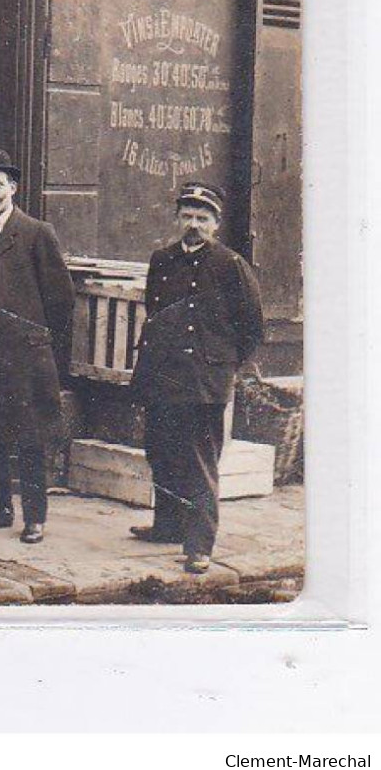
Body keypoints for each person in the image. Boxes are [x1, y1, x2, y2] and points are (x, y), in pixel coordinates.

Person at [130, 182, 264, 574]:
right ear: (176, 218)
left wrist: (219, 365)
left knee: (198, 464)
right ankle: (167, 526)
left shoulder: (231, 265)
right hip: (162, 375)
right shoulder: (162, 260)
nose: (193, 225)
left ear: (216, 224)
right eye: (187, 216)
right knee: (160, 451)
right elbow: (154, 315)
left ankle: (199, 545)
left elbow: (252, 327)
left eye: (202, 218)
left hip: (203, 381)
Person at [0, 148, 75, 545]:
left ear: (13, 188)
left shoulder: (37, 233)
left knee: (30, 438)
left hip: (26, 354)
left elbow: (60, 300)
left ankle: (35, 518)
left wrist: (43, 347)